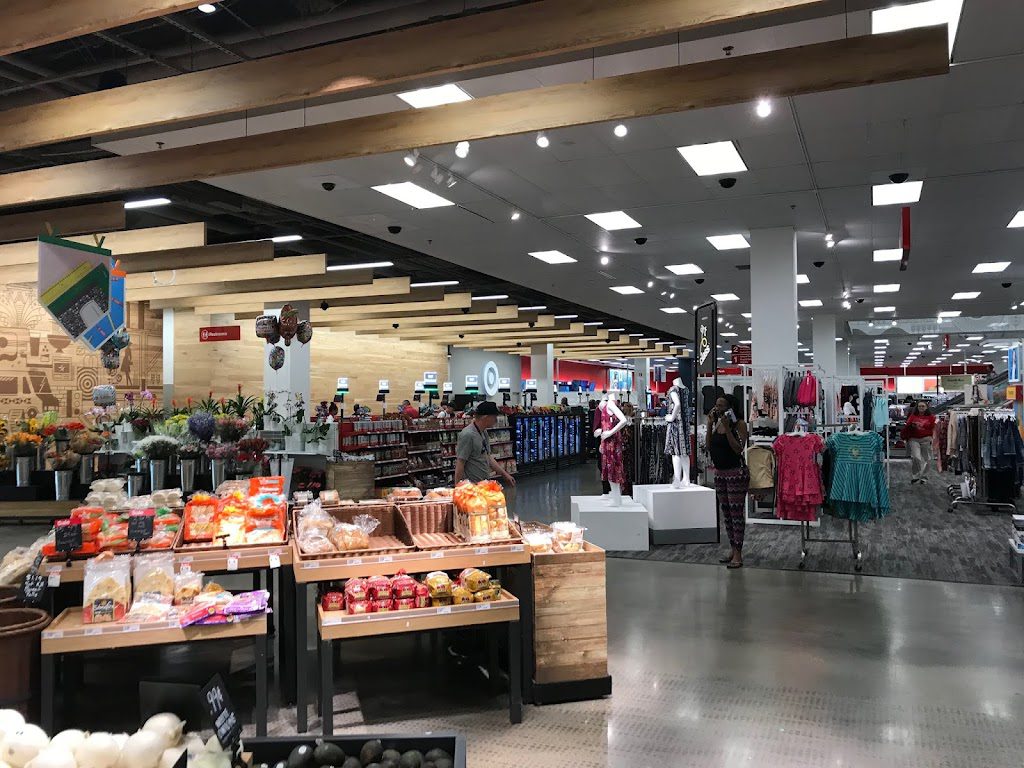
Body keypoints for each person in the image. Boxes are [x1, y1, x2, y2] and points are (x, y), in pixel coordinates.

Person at [707, 394, 749, 569]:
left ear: (730, 407)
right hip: (720, 474)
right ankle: (733, 548)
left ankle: (738, 553)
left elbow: (738, 448)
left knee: (736, 515)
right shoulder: (717, 423)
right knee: (727, 515)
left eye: (721, 405)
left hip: (736, 473)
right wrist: (710, 425)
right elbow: (709, 446)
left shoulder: (740, 424)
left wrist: (728, 428)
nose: (717, 408)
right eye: (716, 405)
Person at [454, 400, 515, 485]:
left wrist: (505, 475)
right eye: (494, 417)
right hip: (471, 487)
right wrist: (457, 488)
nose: (496, 420)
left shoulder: (483, 432)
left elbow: (488, 457)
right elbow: (460, 463)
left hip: (483, 484)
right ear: (486, 417)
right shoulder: (468, 435)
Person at [905, 399, 936, 484]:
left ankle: (924, 477)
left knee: (927, 459)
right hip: (914, 439)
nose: (921, 408)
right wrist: (912, 426)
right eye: (919, 406)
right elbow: (907, 426)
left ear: (926, 407)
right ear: (917, 407)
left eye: (923, 406)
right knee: (916, 457)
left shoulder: (931, 417)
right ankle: (915, 475)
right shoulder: (913, 416)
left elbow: (934, 428)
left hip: (926, 439)